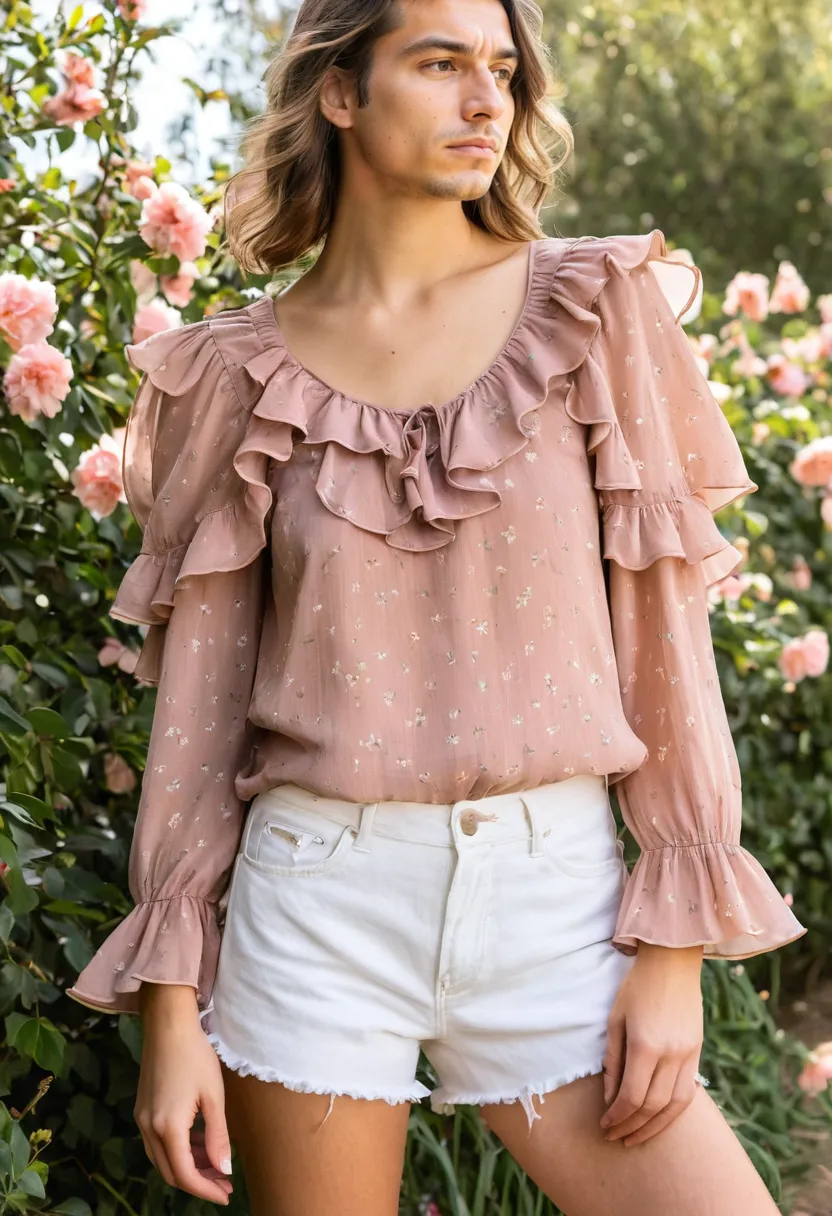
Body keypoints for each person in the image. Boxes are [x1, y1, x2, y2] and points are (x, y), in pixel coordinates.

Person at [67, 0, 807, 1212]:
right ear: (341, 92)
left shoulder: (590, 309)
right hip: (314, 905)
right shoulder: (232, 371)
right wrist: (171, 1003)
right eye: (440, 63)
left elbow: (666, 639)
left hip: (552, 902)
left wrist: (673, 952)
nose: (485, 101)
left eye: (503, 71)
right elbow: (198, 712)